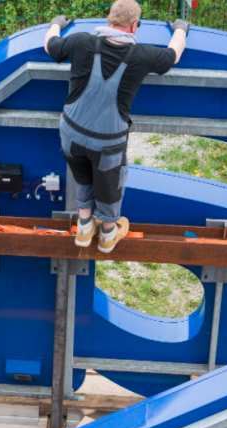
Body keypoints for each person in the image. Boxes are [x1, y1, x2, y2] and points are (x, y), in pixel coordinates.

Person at [45, 1, 189, 252]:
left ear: (109, 20)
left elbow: (51, 46)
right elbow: (173, 55)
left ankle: (84, 226)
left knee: (82, 174)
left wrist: (56, 23)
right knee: (110, 183)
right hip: (107, 142)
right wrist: (180, 29)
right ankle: (108, 234)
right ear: (134, 26)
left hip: (71, 132)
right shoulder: (142, 55)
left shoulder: (81, 42)